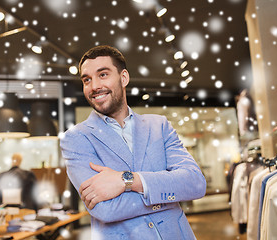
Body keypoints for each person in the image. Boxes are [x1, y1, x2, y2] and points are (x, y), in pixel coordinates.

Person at [60, 45, 206, 239]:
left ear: (124, 78)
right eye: (87, 79)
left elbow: (194, 183)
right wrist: (168, 193)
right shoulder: (76, 138)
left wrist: (127, 180)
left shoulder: (159, 126)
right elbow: (106, 209)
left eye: (102, 75)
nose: (94, 86)